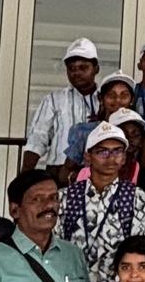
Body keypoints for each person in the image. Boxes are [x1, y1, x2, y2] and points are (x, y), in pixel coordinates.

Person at [59, 123, 145, 282]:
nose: (111, 158)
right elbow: (57, 245)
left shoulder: (136, 197)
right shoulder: (66, 197)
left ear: (124, 158)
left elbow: (139, 250)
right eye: (102, 151)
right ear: (88, 157)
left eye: (117, 151)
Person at [23, 37, 100, 184]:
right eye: (72, 69)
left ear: (96, 69)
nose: (76, 73)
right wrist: (25, 176)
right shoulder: (54, 99)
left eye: (83, 67)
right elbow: (38, 138)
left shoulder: (106, 99)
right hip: (57, 172)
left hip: (96, 171)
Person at [62, 70, 136, 179]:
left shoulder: (136, 132)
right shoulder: (86, 131)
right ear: (101, 98)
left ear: (132, 100)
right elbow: (65, 172)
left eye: (124, 95)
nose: (118, 100)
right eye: (111, 95)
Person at [105, 108, 145, 187]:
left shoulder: (144, 174)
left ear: (142, 140)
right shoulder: (98, 168)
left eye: (135, 135)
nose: (130, 139)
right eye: (124, 134)